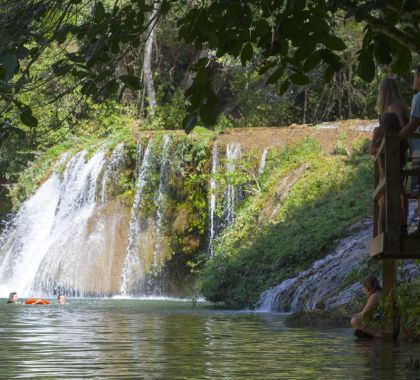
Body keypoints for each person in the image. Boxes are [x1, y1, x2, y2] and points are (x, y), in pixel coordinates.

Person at [370, 112, 408, 234]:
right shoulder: (396, 136)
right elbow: (371, 150)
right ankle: (400, 228)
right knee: (393, 201)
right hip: (392, 175)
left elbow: (371, 150)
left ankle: (389, 232)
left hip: (391, 175)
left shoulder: (395, 137)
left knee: (388, 204)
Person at [401, 65, 420, 234]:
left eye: (414, 76)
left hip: (419, 150)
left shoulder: (418, 97)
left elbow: (413, 123)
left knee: (419, 187)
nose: (413, 80)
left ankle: (418, 226)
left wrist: (398, 137)